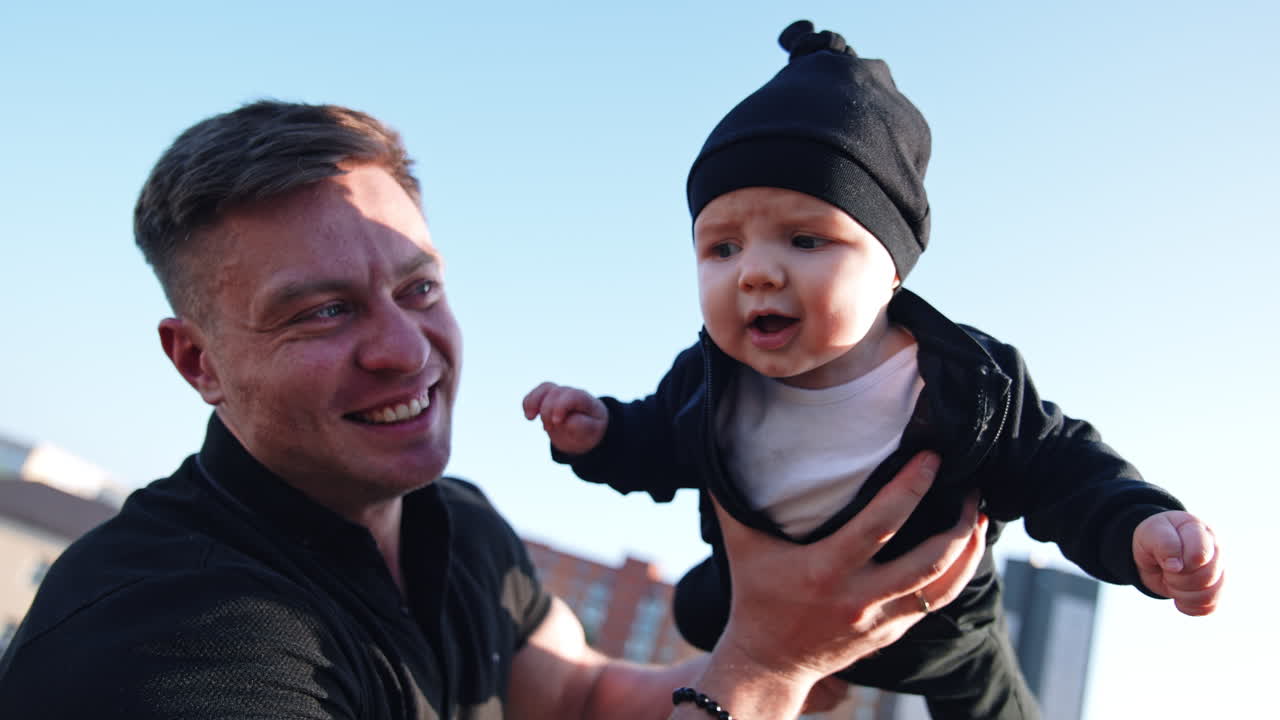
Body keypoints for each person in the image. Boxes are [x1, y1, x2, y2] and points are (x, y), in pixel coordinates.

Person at [0, 99, 990, 720]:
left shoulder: (460, 524)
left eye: (419, 289)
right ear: (197, 362)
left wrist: (815, 646)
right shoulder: (163, 638)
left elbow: (584, 695)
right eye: (322, 312)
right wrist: (765, 670)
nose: (403, 347)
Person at [523, 20, 1225, 720]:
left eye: (805, 240)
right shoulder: (710, 380)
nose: (757, 273)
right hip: (760, 604)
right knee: (696, 604)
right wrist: (601, 432)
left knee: (993, 703)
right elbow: (656, 440)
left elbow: (1063, 469)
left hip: (933, 627)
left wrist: (1140, 527)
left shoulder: (964, 380)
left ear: (891, 268)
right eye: (722, 248)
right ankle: (819, 684)